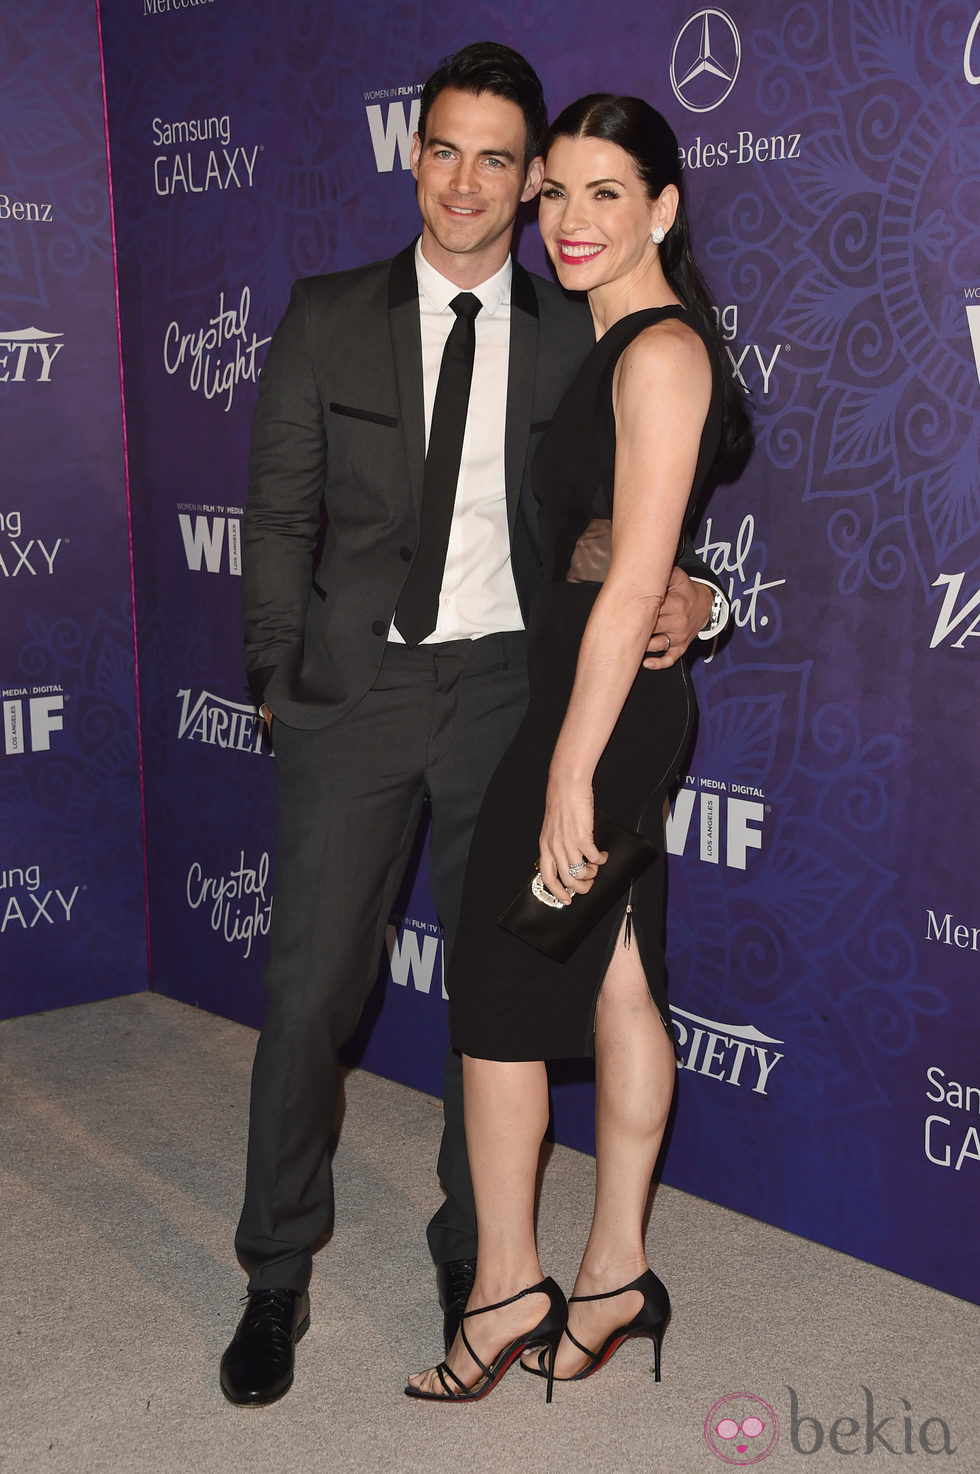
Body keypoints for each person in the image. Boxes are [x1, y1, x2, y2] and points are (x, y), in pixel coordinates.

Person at [221, 47, 728, 1407]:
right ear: (412, 153)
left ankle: (480, 1260)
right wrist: (278, 668)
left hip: (517, 692)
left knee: (491, 1002)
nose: (470, 181)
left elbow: (634, 514)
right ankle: (276, 1272)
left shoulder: (581, 321)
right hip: (359, 694)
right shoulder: (326, 315)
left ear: (531, 182)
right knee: (308, 989)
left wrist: (706, 594)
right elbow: (277, 516)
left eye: (502, 160)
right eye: (447, 149)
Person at [406, 93, 750, 1403]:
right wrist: (676, 582)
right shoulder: (616, 342)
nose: (569, 218)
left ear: (663, 206)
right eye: (555, 191)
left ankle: (504, 1292)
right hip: (589, 699)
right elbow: (617, 546)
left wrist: (568, 770)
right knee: (614, 983)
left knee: (496, 988)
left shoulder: (658, 354)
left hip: (594, 720)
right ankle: (612, 1276)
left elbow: (628, 586)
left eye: (606, 192)